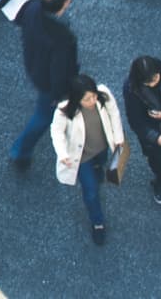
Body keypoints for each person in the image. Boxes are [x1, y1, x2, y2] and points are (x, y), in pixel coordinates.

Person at [10, 0, 78, 168]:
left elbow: (19, 19)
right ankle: (21, 151)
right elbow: (59, 71)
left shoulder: (33, 6)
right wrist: (58, 95)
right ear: (65, 3)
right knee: (43, 116)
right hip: (48, 81)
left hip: (34, 64)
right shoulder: (61, 38)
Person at [50, 74, 122, 243]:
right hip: (81, 157)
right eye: (87, 99)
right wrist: (63, 154)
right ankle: (97, 223)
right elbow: (56, 132)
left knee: (100, 164)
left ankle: (97, 170)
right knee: (90, 194)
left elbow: (114, 114)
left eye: (93, 96)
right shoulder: (64, 110)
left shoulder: (103, 94)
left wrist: (118, 138)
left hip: (102, 146)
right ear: (76, 99)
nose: (92, 101)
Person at [123, 55, 161, 206]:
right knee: (154, 158)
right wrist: (155, 137)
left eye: (155, 77)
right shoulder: (131, 89)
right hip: (150, 133)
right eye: (148, 82)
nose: (154, 83)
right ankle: (160, 181)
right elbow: (135, 121)